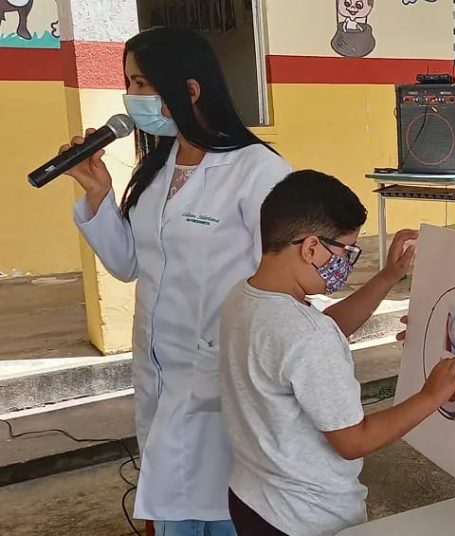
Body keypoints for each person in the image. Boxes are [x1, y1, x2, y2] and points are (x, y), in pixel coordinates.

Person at [61, 27, 291, 534]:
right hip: (158, 376)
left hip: (221, 378)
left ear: (190, 89)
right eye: (129, 82)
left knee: (227, 511)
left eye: (142, 84)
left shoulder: (258, 171)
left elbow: (287, 279)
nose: (131, 96)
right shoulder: (157, 168)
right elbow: (128, 264)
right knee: (172, 510)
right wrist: (98, 193)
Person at [219, 170, 455, 536]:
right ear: (310, 248)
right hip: (306, 519)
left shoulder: (245, 297)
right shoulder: (307, 335)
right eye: (345, 252)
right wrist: (431, 395)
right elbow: (355, 440)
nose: (347, 265)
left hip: (252, 499)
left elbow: (321, 330)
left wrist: (388, 276)